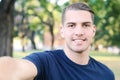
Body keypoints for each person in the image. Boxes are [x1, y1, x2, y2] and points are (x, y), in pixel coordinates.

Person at [0, 2, 115, 80]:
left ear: (93, 30)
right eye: (71, 25)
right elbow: (13, 67)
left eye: (85, 25)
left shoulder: (106, 74)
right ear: (62, 30)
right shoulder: (45, 62)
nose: (79, 32)